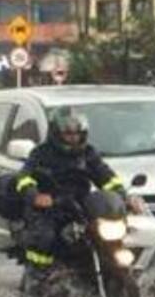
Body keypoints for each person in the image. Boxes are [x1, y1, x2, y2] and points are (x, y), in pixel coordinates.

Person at [13, 108, 137, 281]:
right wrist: (35, 195)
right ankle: (36, 279)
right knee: (46, 237)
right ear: (56, 132)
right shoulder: (42, 153)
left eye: (77, 133)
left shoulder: (88, 153)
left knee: (101, 234)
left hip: (80, 206)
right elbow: (24, 177)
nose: (73, 137)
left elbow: (106, 177)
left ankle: (106, 273)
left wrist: (123, 197)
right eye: (68, 133)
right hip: (50, 207)